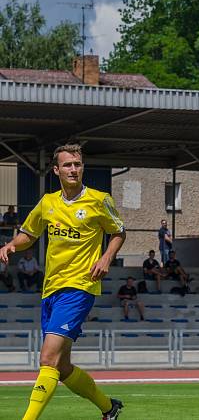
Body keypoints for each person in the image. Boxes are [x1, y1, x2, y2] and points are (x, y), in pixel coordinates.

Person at [0, 143, 125, 419]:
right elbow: (29, 234)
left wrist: (106, 258)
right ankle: (109, 408)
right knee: (62, 366)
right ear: (56, 169)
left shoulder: (99, 199)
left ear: (83, 168)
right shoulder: (48, 202)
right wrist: (11, 245)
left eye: (77, 164)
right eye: (67, 165)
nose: (73, 169)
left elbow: (118, 232)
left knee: (47, 359)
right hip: (51, 289)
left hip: (79, 287)